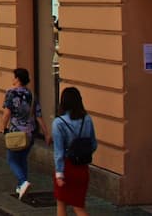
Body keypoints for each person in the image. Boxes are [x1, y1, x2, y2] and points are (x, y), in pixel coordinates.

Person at [2, 67, 51, 200]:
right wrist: (46, 133)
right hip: (30, 134)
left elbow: (7, 113)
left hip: (15, 133)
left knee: (11, 159)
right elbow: (39, 116)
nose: (12, 79)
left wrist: (4, 128)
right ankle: (21, 187)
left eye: (13, 77)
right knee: (22, 159)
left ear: (17, 79)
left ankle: (23, 181)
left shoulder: (11, 93)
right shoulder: (31, 95)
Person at [52, 87, 98, 216]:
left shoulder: (58, 123)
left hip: (67, 166)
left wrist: (59, 173)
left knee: (61, 203)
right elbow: (93, 144)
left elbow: (59, 152)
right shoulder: (87, 119)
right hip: (82, 168)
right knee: (79, 205)